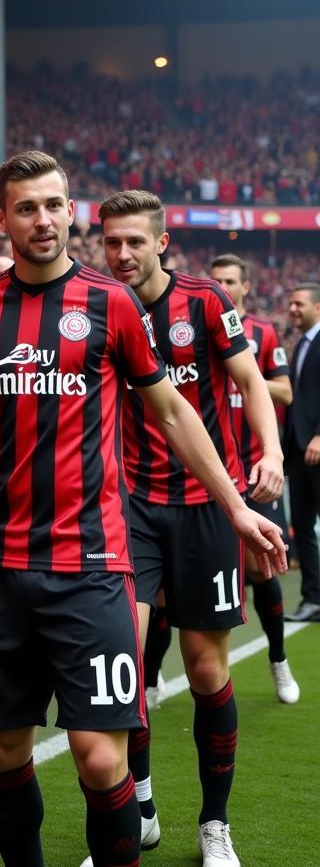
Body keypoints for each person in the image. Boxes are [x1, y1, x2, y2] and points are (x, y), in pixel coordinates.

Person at [0, 152, 285, 867]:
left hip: (92, 564)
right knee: (4, 751)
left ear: (69, 208)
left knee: (102, 759)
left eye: (54, 205)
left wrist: (235, 507)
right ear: (1, 219)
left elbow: (171, 410)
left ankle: (201, 823)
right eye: (26, 208)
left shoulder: (110, 302)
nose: (42, 220)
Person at [99, 188, 284, 867]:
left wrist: (268, 450)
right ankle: (138, 809)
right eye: (110, 242)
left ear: (161, 243)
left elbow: (251, 380)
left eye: (134, 242)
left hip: (207, 502)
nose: (120, 255)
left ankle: (214, 824)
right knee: (124, 664)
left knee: (205, 669)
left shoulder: (205, 302)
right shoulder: (95, 302)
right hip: (129, 506)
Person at [208, 254, 299, 701]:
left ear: (246, 286)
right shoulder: (197, 326)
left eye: (230, 280)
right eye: (216, 280)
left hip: (255, 470)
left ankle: (278, 660)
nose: (223, 286)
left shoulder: (262, 332)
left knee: (261, 568)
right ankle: (152, 682)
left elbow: (282, 389)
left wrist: (243, 374)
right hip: (210, 469)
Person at [284, 282, 320, 622]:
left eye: (298, 304)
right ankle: (313, 597)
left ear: (317, 307)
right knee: (304, 526)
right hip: (298, 452)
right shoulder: (301, 344)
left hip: (316, 447)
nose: (292, 309)